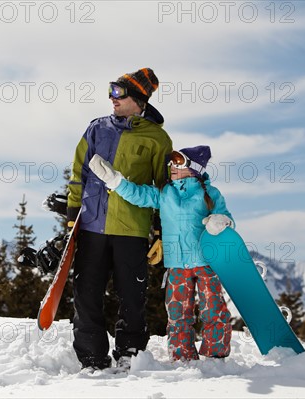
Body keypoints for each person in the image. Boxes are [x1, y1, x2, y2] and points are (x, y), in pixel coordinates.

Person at [67, 68, 172, 370]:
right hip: (92, 225)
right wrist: (74, 213)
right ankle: (91, 358)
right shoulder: (97, 129)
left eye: (119, 92)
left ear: (138, 99)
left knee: (131, 297)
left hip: (132, 230)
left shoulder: (157, 138)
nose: (112, 97)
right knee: (86, 294)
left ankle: (130, 354)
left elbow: (164, 188)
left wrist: (160, 231)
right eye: (111, 90)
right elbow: (79, 172)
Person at [89, 145, 234, 361]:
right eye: (172, 163)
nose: (172, 167)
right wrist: (115, 180)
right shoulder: (166, 193)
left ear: (193, 168)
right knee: (177, 313)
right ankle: (182, 356)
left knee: (213, 309)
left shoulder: (210, 194)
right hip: (176, 264)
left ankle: (216, 354)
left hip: (206, 262)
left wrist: (221, 221)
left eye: (179, 163)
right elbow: (139, 195)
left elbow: (226, 218)